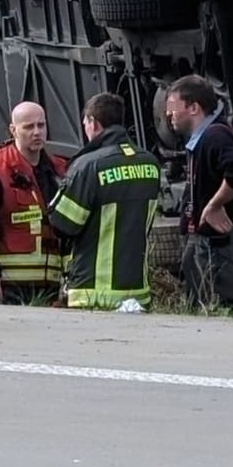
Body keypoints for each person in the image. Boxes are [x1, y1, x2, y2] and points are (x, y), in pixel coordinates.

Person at [49, 92, 163, 310]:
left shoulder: (88, 165)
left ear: (93, 122)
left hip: (94, 290)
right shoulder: (150, 163)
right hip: (138, 290)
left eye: (85, 123)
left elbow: (64, 224)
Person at [162, 75, 233, 308]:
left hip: (220, 251)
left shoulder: (216, 136)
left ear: (194, 108)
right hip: (207, 246)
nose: (168, 115)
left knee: (224, 308)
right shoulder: (201, 139)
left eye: (173, 108)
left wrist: (215, 204)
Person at [0, 100, 69, 303]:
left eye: (41, 125)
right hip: (7, 287)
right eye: (28, 127)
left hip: (51, 288)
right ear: (13, 130)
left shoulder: (58, 171)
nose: (37, 132)